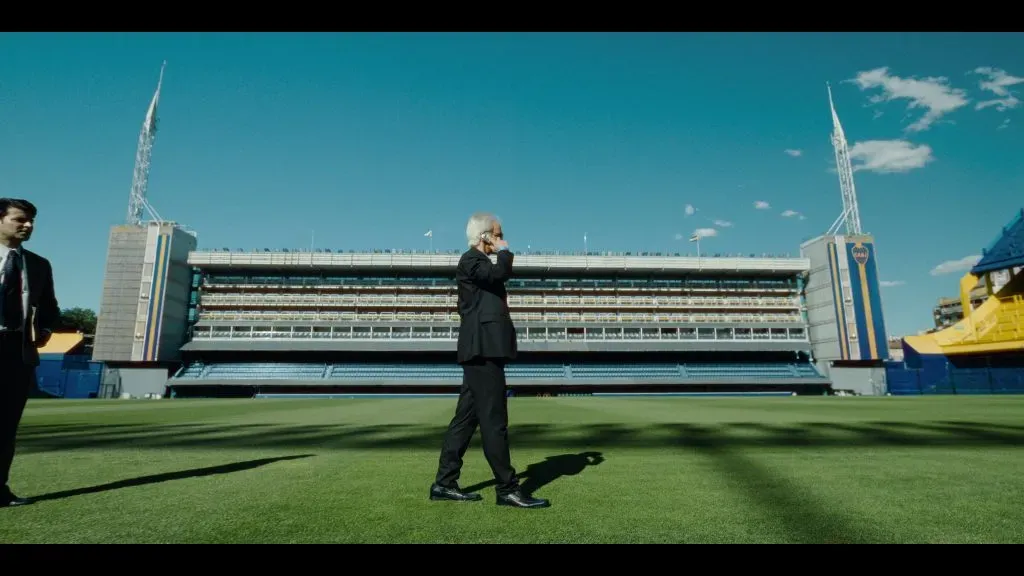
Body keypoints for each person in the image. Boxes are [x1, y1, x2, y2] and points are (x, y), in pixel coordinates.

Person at [430, 212, 548, 508]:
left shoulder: (479, 263)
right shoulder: (472, 260)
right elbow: (499, 274)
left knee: (465, 420)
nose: (502, 237)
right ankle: (507, 488)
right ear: (484, 237)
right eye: (497, 233)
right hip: (482, 351)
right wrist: (505, 252)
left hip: (482, 350)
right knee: (495, 421)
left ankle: (444, 483)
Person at [0, 198, 59, 508]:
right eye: (20, 219)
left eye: (32, 221)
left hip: (16, 351)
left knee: (5, 426)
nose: (28, 225)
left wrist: (45, 331)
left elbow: (50, 307)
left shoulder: (38, 264)